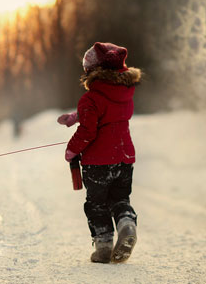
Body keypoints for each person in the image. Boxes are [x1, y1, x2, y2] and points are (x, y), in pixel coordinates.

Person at [58, 42, 141, 263]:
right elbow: (108, 109)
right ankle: (127, 224)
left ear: (93, 71)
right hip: (124, 158)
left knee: (97, 204)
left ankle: (104, 247)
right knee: (120, 198)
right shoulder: (125, 93)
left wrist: (71, 149)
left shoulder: (90, 98)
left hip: (98, 162)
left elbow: (88, 130)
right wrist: (75, 116)